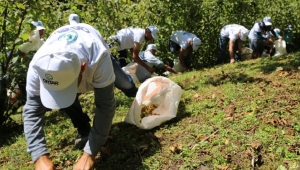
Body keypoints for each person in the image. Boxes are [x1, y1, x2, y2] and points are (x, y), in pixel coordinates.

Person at [23, 22, 116, 169]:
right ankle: (83, 127)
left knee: (125, 83)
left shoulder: (98, 57)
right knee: (67, 101)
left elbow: (105, 105)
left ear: (83, 67)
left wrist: (89, 155)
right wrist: (39, 156)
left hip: (93, 45)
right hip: (66, 47)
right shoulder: (37, 66)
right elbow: (32, 111)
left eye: (67, 87)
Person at [7, 21, 46, 104]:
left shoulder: (40, 42)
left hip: (30, 72)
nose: (42, 32)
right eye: (40, 31)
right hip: (19, 72)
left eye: (42, 30)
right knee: (16, 88)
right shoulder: (26, 42)